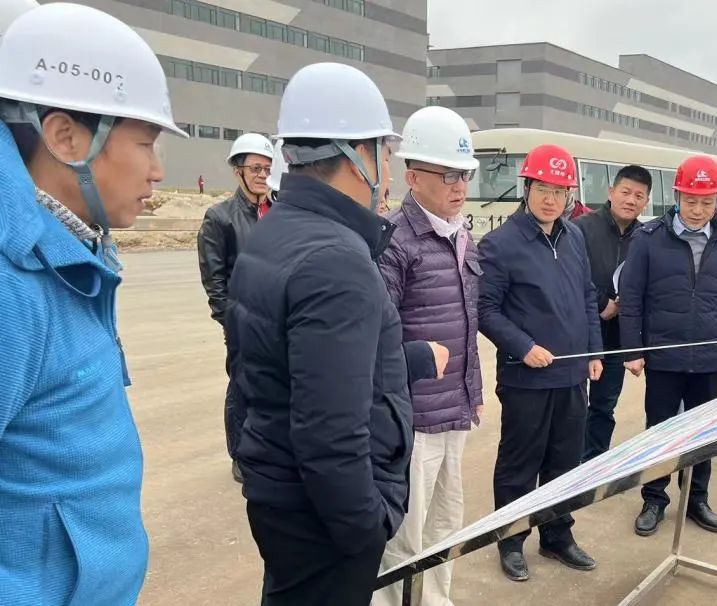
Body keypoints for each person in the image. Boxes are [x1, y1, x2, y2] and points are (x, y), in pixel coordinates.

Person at [225, 62, 443, 605]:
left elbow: (285, 369)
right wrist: (365, 527)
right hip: (322, 519)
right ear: (357, 155)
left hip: (280, 494)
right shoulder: (336, 258)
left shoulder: (277, 231)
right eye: (386, 153)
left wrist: (409, 357)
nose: (387, 170)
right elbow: (329, 431)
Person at [0, 3, 188, 604]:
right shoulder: (11, 288)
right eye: (146, 143)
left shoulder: (68, 252)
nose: (157, 170)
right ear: (65, 137)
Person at [372, 106, 484, 606]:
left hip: (454, 408)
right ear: (413, 176)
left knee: (445, 522)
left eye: (464, 175)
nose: (459, 186)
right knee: (406, 533)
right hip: (412, 418)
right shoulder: (395, 241)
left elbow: (467, 324)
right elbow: (378, 340)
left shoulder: (461, 235)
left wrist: (471, 391)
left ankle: (435, 600)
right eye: (448, 175)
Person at [478, 143, 603, 582]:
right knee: (519, 463)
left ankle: (557, 535)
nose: (551, 199)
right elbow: (485, 309)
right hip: (526, 377)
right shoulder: (500, 244)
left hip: (572, 375)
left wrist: (592, 351)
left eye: (560, 191)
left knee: (564, 462)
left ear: (569, 195)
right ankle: (510, 540)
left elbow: (587, 295)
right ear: (527, 188)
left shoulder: (574, 237)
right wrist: (523, 346)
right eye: (543, 189)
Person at [620, 155, 717, 537]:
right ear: (677, 196)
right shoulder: (649, 238)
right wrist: (633, 350)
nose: (698, 210)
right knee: (659, 430)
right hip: (664, 353)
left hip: (709, 355)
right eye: (690, 200)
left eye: (707, 202)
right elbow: (632, 297)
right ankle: (654, 498)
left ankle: (696, 498)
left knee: (704, 432)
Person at [196, 132, 273, 483]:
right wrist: (232, 323)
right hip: (243, 323)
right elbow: (214, 282)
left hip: (278, 321)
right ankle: (241, 455)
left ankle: (270, 448)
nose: (262, 175)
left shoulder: (279, 213)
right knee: (242, 389)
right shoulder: (220, 218)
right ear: (237, 170)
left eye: (267, 168)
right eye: (255, 168)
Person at [575, 164, 652, 461]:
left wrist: (623, 306)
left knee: (604, 406)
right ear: (611, 192)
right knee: (573, 404)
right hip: (580, 331)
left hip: (618, 335)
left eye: (639, 196)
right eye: (625, 192)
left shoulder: (647, 236)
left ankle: (594, 464)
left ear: (646, 202)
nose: (631, 200)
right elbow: (572, 275)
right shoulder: (581, 228)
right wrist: (601, 302)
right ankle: (567, 466)